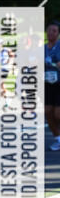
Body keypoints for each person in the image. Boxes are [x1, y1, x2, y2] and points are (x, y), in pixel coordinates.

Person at [44, 20, 60, 150]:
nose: (51, 33)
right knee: (48, 112)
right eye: (49, 30)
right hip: (47, 84)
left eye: (54, 31)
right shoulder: (43, 48)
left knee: (58, 114)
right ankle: (57, 138)